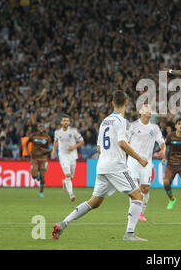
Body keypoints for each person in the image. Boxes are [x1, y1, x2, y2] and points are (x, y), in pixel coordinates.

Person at [52, 90, 149, 242]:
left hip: (102, 165)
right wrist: (139, 158)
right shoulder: (122, 122)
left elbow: (99, 148)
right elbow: (122, 143)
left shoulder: (105, 121)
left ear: (112, 103)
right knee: (138, 196)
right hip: (116, 165)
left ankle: (63, 223)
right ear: (127, 104)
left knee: (94, 202)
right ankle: (129, 234)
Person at [127, 103, 166, 221]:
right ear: (140, 111)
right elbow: (125, 142)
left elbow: (161, 142)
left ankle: (140, 213)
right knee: (134, 189)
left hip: (147, 163)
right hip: (133, 161)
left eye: (150, 109)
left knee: (145, 189)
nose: (149, 110)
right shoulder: (132, 126)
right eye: (146, 108)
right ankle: (132, 213)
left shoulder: (154, 128)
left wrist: (163, 151)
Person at [51, 114, 84, 202]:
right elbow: (55, 141)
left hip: (73, 156)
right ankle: (71, 195)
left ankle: (65, 182)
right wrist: (54, 151)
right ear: (61, 122)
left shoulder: (74, 131)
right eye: (64, 120)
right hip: (63, 156)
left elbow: (82, 141)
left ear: (69, 122)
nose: (65, 122)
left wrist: (74, 147)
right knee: (68, 175)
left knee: (70, 177)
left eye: (67, 121)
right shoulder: (57, 132)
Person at [26, 123, 52, 198]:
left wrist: (44, 150)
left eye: (42, 126)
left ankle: (41, 192)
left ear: (44, 128)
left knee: (42, 177)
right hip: (34, 158)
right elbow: (26, 144)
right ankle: (35, 173)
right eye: (39, 126)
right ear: (37, 128)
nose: (41, 128)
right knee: (34, 177)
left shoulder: (47, 137)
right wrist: (28, 152)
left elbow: (50, 149)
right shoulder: (33, 135)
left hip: (43, 159)